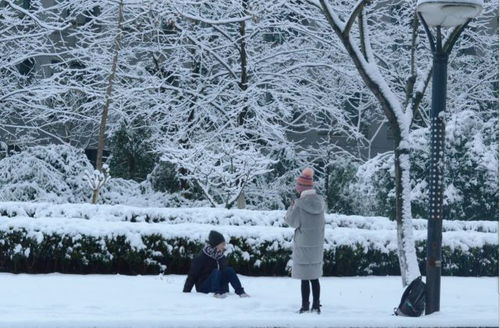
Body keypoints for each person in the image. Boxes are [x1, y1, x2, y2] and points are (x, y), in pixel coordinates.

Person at [285, 167, 325, 314]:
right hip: (316, 246)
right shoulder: (320, 203)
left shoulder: (299, 204)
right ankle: (316, 305)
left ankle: (305, 305)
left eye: (297, 185)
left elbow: (291, 222)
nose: (296, 187)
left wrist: (291, 207)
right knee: (314, 277)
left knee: (304, 278)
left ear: (302, 187)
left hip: (303, 245)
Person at [182, 230, 249, 298]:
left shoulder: (220, 256)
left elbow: (224, 271)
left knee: (229, 270)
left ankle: (241, 293)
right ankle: (216, 294)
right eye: (222, 244)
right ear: (216, 244)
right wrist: (186, 292)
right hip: (203, 288)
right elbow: (192, 275)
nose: (224, 246)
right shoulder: (201, 257)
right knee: (216, 271)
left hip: (218, 286)